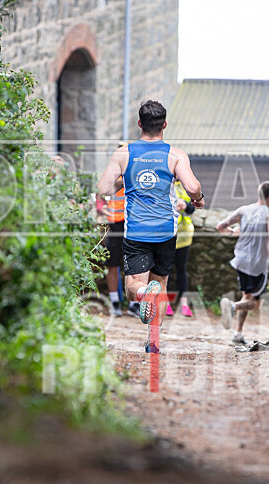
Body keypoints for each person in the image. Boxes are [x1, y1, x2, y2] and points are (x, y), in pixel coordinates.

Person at [97, 100, 205, 354]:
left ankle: (145, 292)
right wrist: (197, 200)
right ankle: (154, 342)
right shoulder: (176, 155)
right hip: (166, 230)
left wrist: (125, 181)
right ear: (164, 125)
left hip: (136, 230)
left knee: (134, 286)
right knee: (162, 284)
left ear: (139, 124)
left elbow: (103, 189)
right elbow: (192, 187)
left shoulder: (124, 154)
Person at [216, 181, 269, 344]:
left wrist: (233, 233)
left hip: (240, 259)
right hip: (257, 264)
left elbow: (220, 226)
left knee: (246, 296)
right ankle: (232, 307)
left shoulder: (244, 210)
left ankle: (238, 333)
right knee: (255, 304)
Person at [96, 186, 140, 317]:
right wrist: (101, 206)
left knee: (135, 264)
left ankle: (134, 304)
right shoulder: (115, 171)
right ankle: (114, 303)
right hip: (115, 223)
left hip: (134, 221)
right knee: (112, 264)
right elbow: (101, 190)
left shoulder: (137, 169)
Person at [166, 180, 195, 317]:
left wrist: (185, 205)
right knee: (165, 271)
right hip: (166, 235)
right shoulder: (163, 182)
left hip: (184, 236)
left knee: (182, 270)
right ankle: (165, 303)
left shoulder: (186, 185)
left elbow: (192, 209)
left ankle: (184, 304)